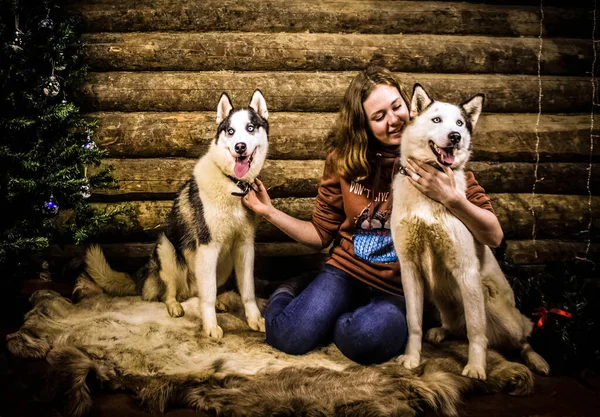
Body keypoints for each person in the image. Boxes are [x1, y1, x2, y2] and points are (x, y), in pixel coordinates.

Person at [242, 67, 503, 365]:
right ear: (363, 124)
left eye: (397, 107)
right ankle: (296, 289)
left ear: (410, 105)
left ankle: (337, 314)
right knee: (286, 335)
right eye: (378, 117)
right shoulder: (343, 159)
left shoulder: (439, 155)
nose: (393, 120)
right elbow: (319, 234)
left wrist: (451, 197)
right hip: (346, 270)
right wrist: (269, 212)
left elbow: (493, 236)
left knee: (365, 338)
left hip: (398, 288)